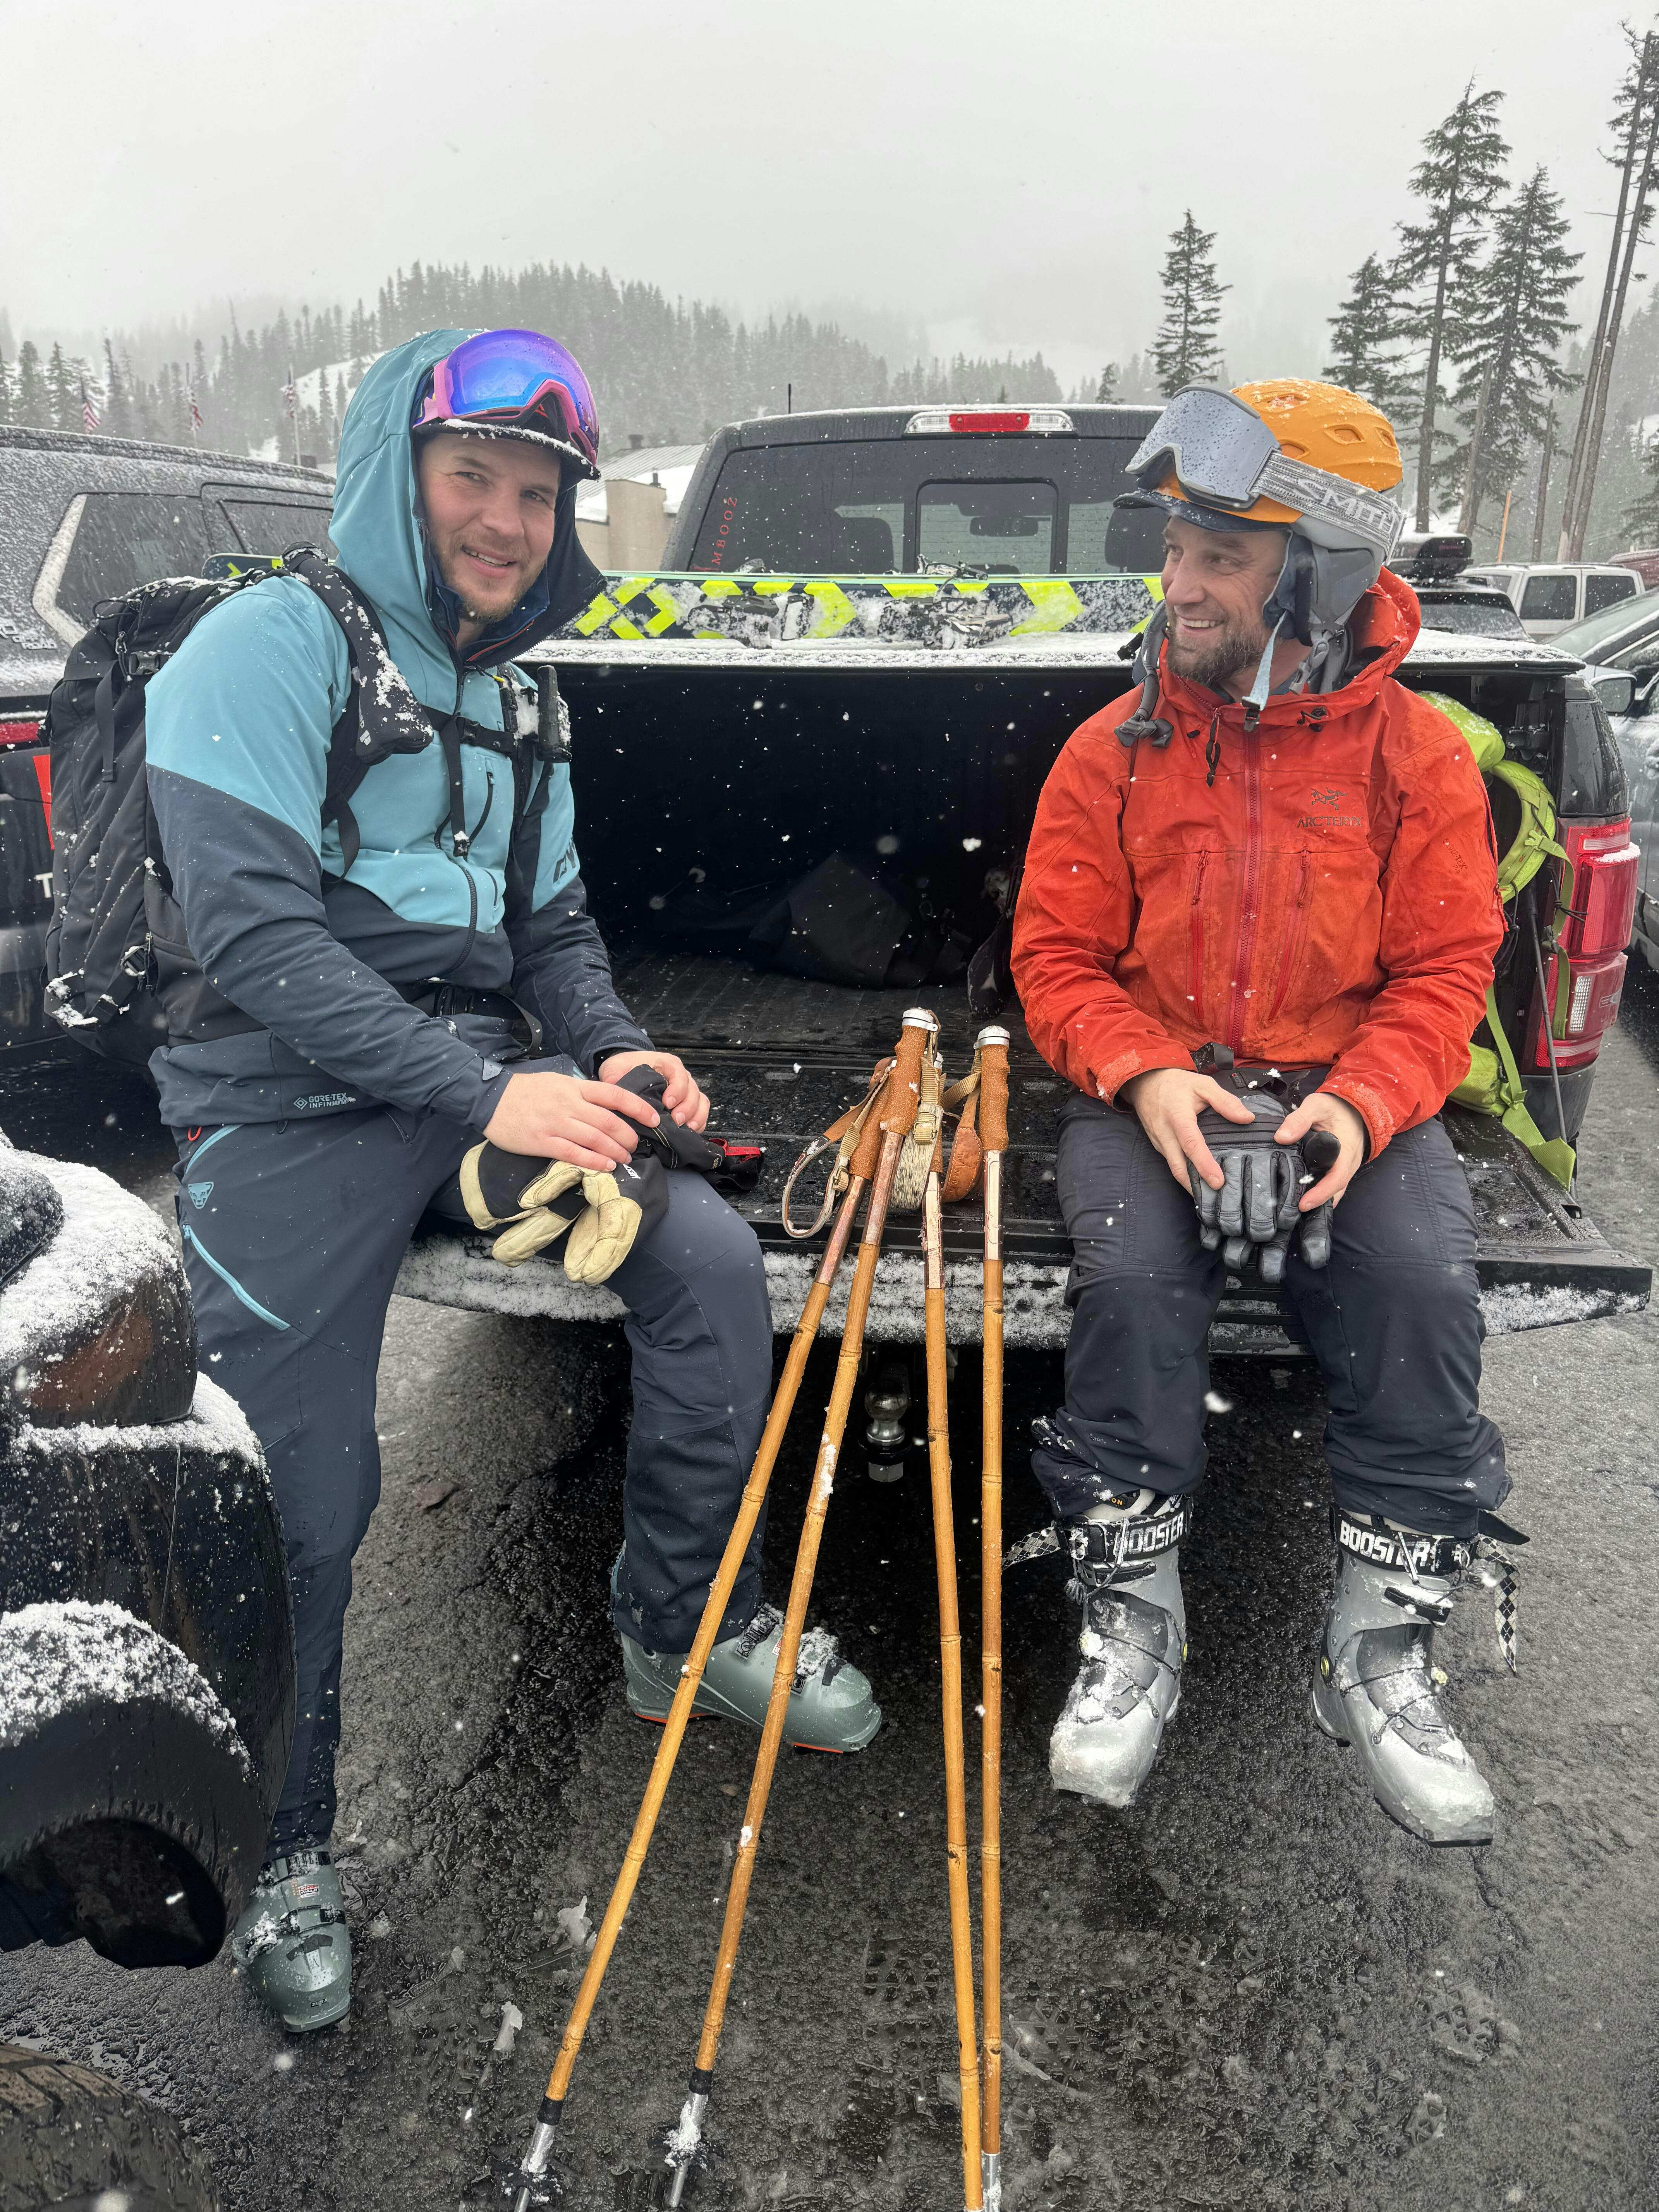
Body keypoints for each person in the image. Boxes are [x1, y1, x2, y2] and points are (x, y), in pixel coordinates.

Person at [144, 328, 879, 2033]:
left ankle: (674, 1633)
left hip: (477, 1088)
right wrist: (493, 1088)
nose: (506, 519)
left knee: (707, 1267)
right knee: (303, 1490)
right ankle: (281, 1844)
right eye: (471, 475)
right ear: (392, 475)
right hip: (280, 1110)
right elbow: (253, 938)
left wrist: (612, 1051)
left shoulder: (525, 694)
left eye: (539, 494)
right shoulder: (267, 646)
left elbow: (550, 931)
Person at [1011, 379, 1511, 1847]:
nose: (1176, 585)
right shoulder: (1112, 748)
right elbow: (1056, 960)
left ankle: (1379, 1645)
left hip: (1349, 1088)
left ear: (1319, 575)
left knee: (1420, 1287)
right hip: (1153, 1080)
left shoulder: (1417, 758)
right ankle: (1132, 1614)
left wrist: (1359, 1108)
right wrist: (1147, 1073)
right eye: (1175, 549)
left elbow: (1445, 971)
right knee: (1131, 1286)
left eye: (1218, 557)